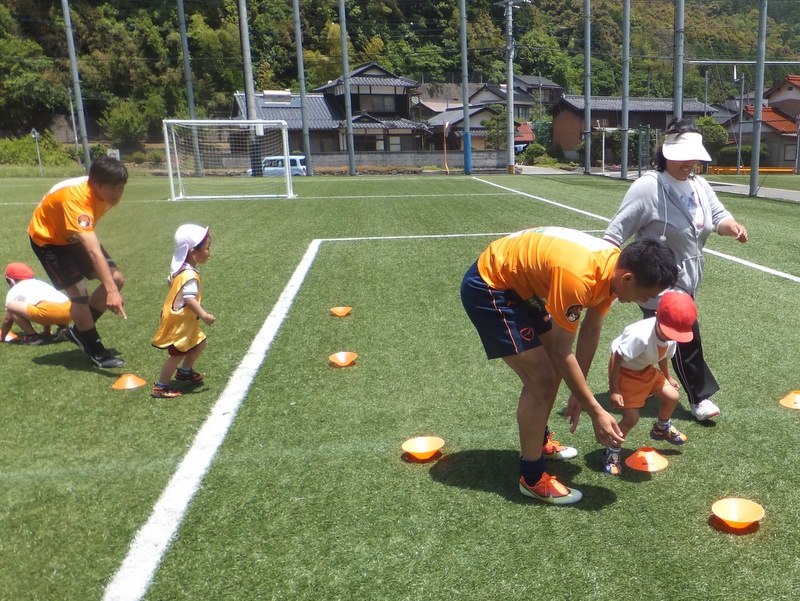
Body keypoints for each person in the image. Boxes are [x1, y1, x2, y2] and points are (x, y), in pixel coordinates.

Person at [461, 226, 678, 504]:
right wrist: (595, 410)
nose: (643, 302)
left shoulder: (614, 270)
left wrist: (579, 392)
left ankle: (538, 442)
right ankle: (531, 478)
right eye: (644, 295)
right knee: (541, 378)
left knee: (553, 372)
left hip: (522, 287)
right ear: (628, 278)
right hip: (490, 284)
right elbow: (562, 352)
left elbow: (591, 329)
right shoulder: (580, 278)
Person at [604, 119, 749, 421]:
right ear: (665, 153)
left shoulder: (699, 185)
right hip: (656, 284)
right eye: (682, 156)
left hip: (689, 280)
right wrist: (609, 279)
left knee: (658, 339)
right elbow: (615, 233)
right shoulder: (649, 187)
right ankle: (699, 398)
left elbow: (718, 215)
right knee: (684, 337)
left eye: (694, 157)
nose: (689, 163)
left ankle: (639, 379)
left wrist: (731, 226)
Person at [27, 156, 129, 368]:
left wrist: (112, 286)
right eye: (113, 188)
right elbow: (92, 250)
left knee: (116, 278)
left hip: (74, 236)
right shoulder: (75, 199)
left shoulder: (107, 194)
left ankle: (80, 331)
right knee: (79, 294)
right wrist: (110, 291)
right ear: (95, 184)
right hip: (49, 241)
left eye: (121, 187)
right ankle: (95, 349)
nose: (117, 194)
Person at [602, 291, 697, 476]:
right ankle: (612, 451)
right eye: (669, 332)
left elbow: (664, 356)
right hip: (626, 374)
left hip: (646, 369)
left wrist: (668, 377)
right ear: (656, 316)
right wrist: (614, 390)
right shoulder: (639, 335)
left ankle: (661, 428)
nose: (671, 336)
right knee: (631, 419)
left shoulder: (672, 336)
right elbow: (616, 358)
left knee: (672, 396)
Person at [151, 224, 215, 399]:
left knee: (200, 343)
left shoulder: (181, 268)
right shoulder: (190, 275)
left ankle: (184, 371)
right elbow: (189, 299)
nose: (209, 252)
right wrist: (204, 315)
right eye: (207, 248)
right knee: (176, 355)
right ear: (193, 253)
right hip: (179, 323)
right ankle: (160, 387)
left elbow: (171, 280)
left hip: (186, 322)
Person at [2, 262, 71, 345]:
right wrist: (46, 331)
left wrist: (2, 336)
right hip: (69, 311)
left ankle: (32, 337)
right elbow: (46, 301)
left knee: (11, 307)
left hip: (48, 312)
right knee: (44, 305)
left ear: (10, 280)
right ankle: (63, 329)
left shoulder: (15, 290)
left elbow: (7, 319)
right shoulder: (39, 283)